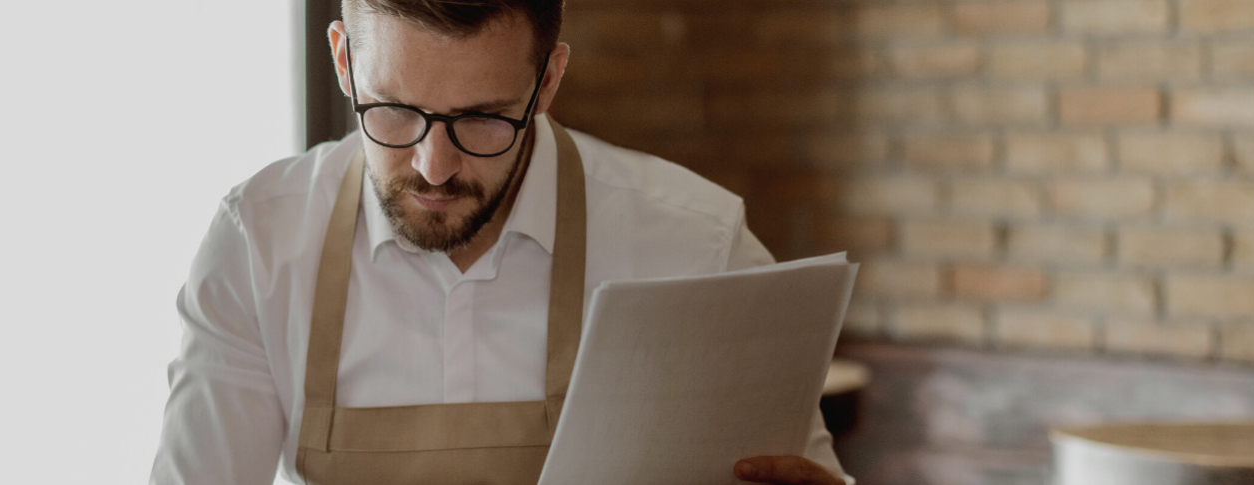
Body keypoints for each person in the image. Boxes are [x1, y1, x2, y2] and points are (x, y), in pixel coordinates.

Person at [150, 1, 849, 484]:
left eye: (481, 120)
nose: (434, 166)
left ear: (547, 81)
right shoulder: (260, 245)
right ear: (342, 59)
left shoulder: (700, 249)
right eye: (392, 111)